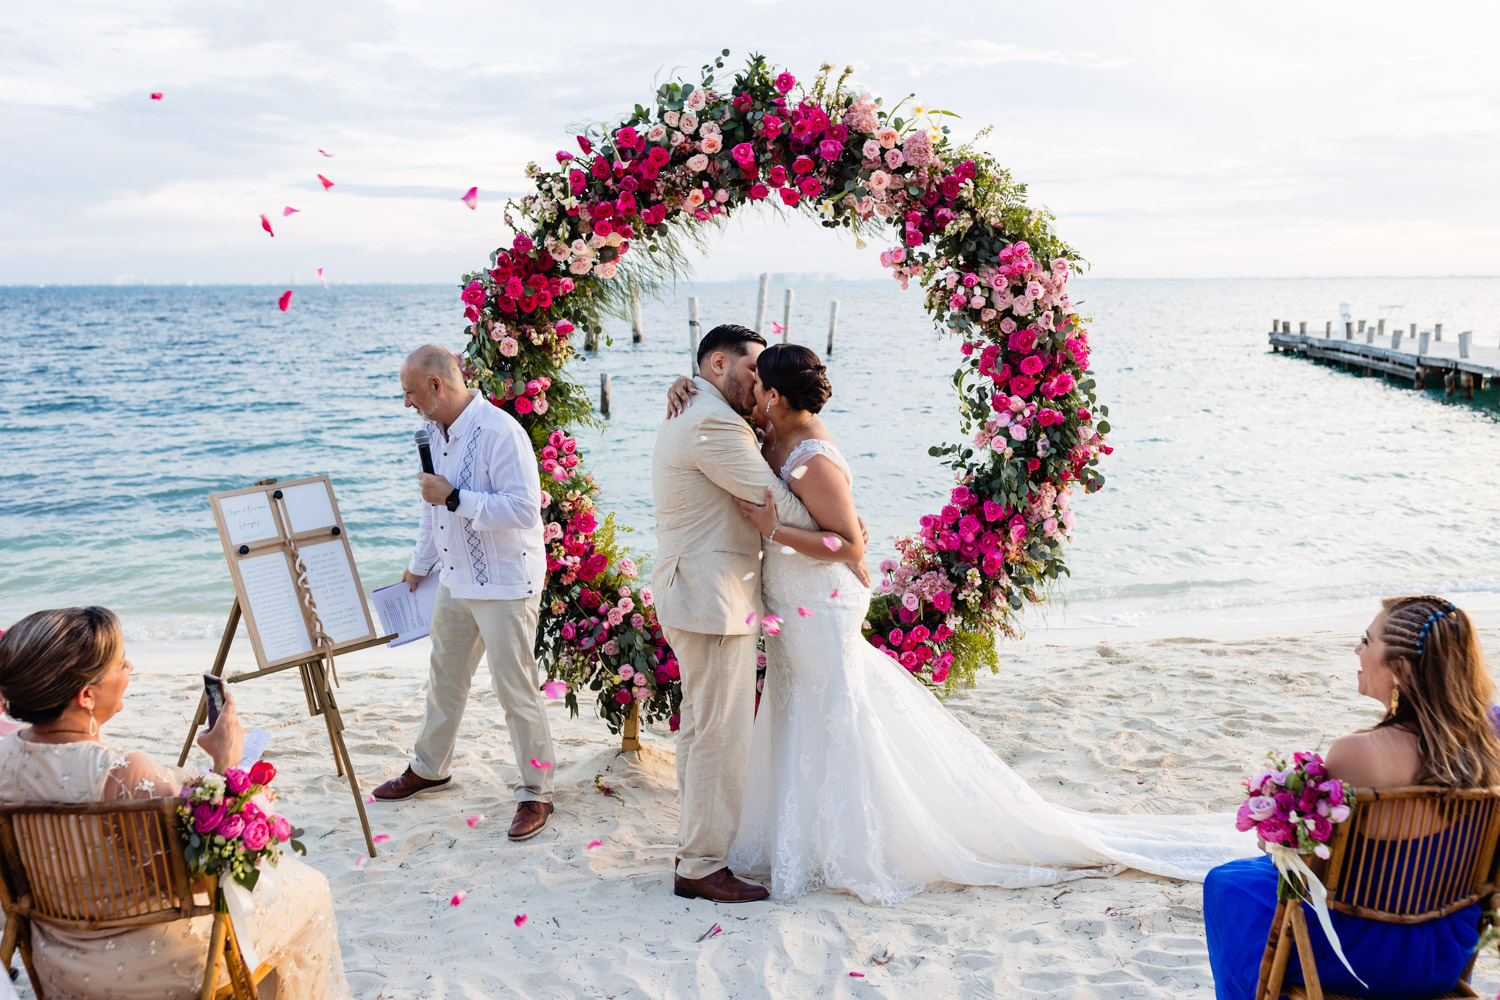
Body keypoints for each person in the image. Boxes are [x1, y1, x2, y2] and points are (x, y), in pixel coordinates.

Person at [665, 345, 1254, 905]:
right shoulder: (770, 436)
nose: (751, 390)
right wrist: (686, 387)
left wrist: (774, 531)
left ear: (773, 394)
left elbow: (846, 545)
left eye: (758, 382)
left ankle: (857, 844)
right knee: (798, 713)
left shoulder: (811, 455)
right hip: (793, 600)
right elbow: (732, 443)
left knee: (836, 714)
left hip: (821, 599)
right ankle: (799, 839)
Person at [0, 607, 351, 1000]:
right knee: (311, 889)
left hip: (56, 961)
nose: (129, 666)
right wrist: (227, 761)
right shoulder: (122, 774)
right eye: (120, 662)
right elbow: (204, 879)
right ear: (85, 696)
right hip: (152, 966)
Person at [652, 324, 869, 904]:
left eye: (762, 382)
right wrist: (842, 529)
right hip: (710, 597)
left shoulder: (703, 408)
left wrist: (839, 522)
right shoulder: (713, 421)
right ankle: (700, 864)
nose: (756, 390)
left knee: (702, 731)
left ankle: (694, 849)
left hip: (699, 593)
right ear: (717, 365)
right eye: (750, 375)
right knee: (718, 736)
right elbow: (772, 500)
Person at [1203, 596, 1500, 999]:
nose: (1357, 650)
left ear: (1400, 669)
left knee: (1228, 886)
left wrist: (1280, 843)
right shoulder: (1491, 741)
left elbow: (1321, 873)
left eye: (1367, 640)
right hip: (1444, 951)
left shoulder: (1356, 753)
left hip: (1366, 956)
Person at [375, 345, 556, 843]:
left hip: (504, 582)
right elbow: (430, 508)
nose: (407, 403)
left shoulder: (502, 432)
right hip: (456, 578)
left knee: (515, 688)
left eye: (410, 393)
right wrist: (417, 566)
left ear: (437, 385)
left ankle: (536, 790)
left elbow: (524, 510)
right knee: (444, 678)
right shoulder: (434, 433)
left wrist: (455, 497)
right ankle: (430, 768)